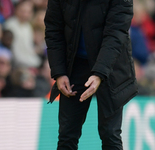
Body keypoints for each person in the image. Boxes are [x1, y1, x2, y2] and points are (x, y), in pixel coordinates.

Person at [44, 0, 138, 149]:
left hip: (111, 67)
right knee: (67, 135)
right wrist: (59, 72)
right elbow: (53, 30)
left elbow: (115, 34)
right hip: (75, 66)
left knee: (110, 134)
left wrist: (99, 72)